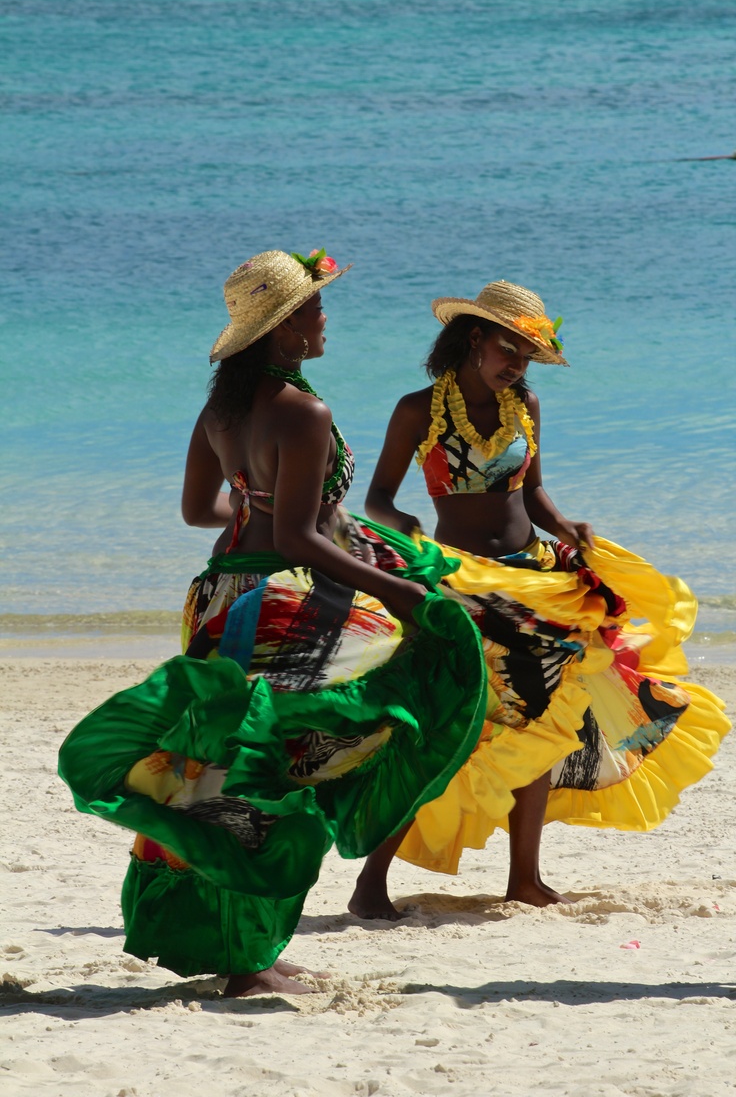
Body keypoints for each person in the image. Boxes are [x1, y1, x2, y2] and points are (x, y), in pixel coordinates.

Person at [58, 249, 489, 997]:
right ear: (286, 326)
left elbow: (201, 511)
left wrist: (255, 508)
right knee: (283, 775)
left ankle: (244, 950)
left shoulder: (223, 407)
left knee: (217, 777)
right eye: (317, 307)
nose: (326, 318)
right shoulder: (303, 410)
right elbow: (298, 540)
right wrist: (400, 592)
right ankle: (247, 960)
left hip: (221, 598)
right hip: (284, 603)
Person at [348, 278, 731, 919]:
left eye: (527, 354)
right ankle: (370, 883)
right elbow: (377, 499)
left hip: (537, 583)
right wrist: (403, 527)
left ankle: (524, 878)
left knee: (543, 727)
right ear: (475, 339)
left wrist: (566, 528)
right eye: (508, 349)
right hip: (463, 589)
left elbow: (533, 495)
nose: (518, 365)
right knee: (441, 729)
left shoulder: (525, 403)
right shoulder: (418, 409)